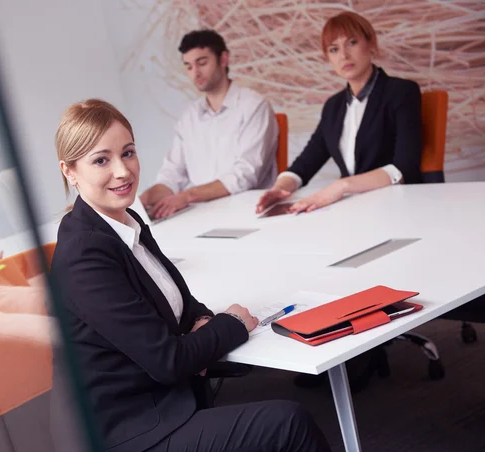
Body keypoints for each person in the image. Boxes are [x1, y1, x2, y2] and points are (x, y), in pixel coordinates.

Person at [51, 99, 331, 452]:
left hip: (155, 403)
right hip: (128, 431)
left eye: (129, 153)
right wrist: (229, 323)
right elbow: (169, 361)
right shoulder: (84, 253)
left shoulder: (125, 223)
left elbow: (178, 301)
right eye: (101, 160)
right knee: (289, 424)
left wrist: (201, 319)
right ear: (70, 171)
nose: (123, 171)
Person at [256, 11, 422, 215]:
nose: (344, 55)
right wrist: (280, 187)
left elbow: (404, 168)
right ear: (329, 59)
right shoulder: (333, 106)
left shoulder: (401, 92)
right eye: (334, 49)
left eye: (352, 43)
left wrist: (342, 186)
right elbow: (308, 161)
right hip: (356, 210)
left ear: (371, 45)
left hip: (399, 207)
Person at [140, 29, 279, 220]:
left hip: (245, 212)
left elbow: (246, 174)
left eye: (202, 63)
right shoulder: (189, 116)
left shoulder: (253, 106)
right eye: (188, 67)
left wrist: (187, 196)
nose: (195, 73)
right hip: (198, 213)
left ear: (223, 59)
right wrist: (143, 199)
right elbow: (172, 175)